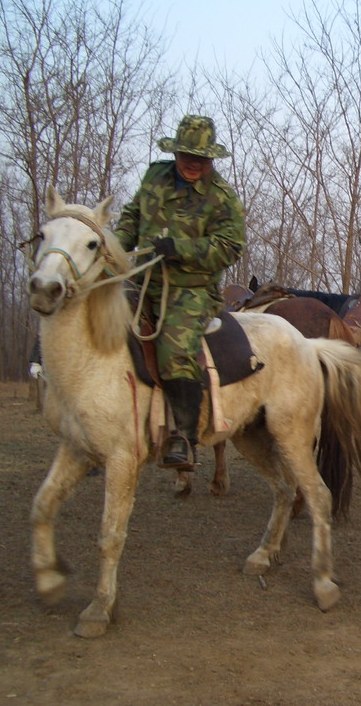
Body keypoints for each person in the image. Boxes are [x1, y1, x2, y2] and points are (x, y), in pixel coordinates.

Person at [114, 115, 246, 469]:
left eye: (201, 158)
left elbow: (230, 247)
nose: (193, 162)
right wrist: (113, 248)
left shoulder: (222, 198)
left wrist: (181, 248)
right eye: (187, 154)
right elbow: (131, 216)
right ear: (175, 152)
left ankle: (183, 439)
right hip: (141, 281)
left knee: (173, 348)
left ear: (211, 160)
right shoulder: (154, 175)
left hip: (190, 290)